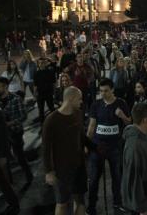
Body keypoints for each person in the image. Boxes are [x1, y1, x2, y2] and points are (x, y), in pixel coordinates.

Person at [86, 78, 131, 215]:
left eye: (106, 91)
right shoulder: (96, 105)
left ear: (112, 90)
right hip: (98, 147)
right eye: (101, 91)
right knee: (93, 178)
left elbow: (129, 122)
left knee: (117, 177)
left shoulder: (121, 103)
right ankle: (91, 206)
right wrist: (87, 144)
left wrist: (121, 115)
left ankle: (117, 203)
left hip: (115, 147)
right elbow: (92, 126)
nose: (103, 93)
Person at [43, 86, 89, 215]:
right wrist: (48, 171)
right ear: (71, 98)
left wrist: (95, 148)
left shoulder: (78, 113)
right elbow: (45, 148)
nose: (81, 102)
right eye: (80, 99)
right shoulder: (51, 120)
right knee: (62, 203)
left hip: (79, 166)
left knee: (80, 200)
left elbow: (82, 136)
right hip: (61, 169)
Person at [0, 77, 33, 187]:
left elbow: (23, 116)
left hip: (15, 132)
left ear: (5, 87)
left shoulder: (15, 99)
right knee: (5, 160)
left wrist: (10, 123)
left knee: (19, 156)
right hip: (3, 135)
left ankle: (29, 176)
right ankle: (9, 183)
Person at [0, 89, 19, 215]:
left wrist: (2, 156)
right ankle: (14, 205)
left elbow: (3, 137)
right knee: (1, 182)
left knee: (1, 182)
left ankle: (14, 205)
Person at [33, 57, 56, 124]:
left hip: (49, 93)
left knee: (51, 108)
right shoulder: (36, 73)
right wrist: (35, 95)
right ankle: (42, 124)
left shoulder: (50, 72)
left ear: (45, 63)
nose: (41, 64)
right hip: (40, 94)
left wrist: (54, 92)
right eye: (39, 63)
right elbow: (35, 85)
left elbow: (54, 83)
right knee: (41, 110)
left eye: (42, 63)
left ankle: (54, 122)